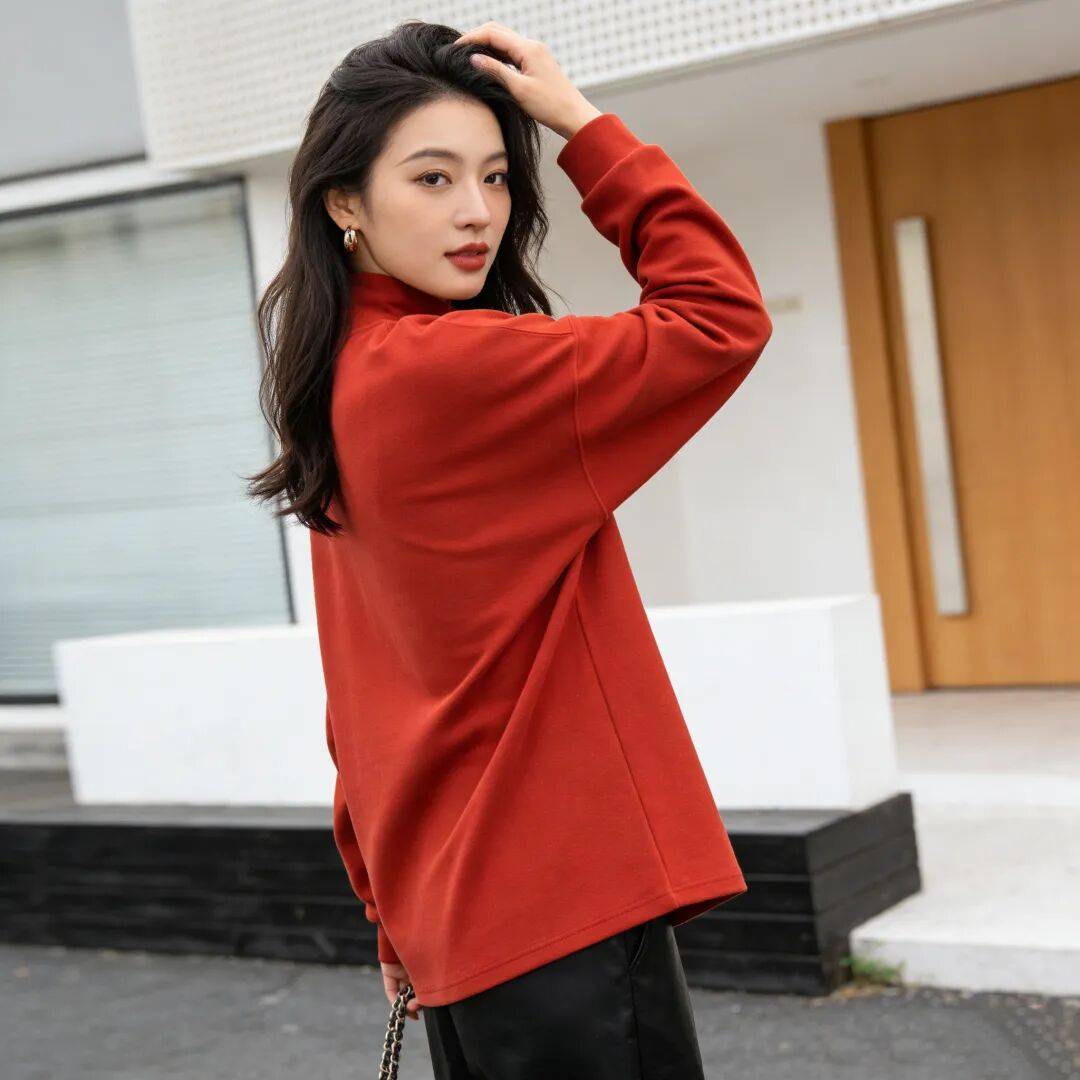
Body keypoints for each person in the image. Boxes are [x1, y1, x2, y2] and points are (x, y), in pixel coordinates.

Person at [246, 18, 772, 1079]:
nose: (477, 211)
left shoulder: (341, 388)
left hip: (457, 919)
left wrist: (389, 910)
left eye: (494, 176)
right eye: (432, 178)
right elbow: (720, 316)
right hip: (559, 901)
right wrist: (579, 122)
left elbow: (361, 694)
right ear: (344, 202)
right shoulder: (450, 370)